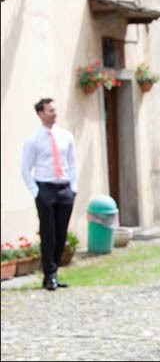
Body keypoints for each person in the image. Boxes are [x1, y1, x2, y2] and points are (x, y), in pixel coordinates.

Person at [21, 98, 78, 291]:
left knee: (61, 233)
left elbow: (72, 163)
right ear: (41, 114)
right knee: (49, 233)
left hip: (64, 189)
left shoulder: (66, 136)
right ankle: (49, 274)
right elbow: (26, 169)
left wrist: (73, 188)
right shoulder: (33, 140)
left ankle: (53, 273)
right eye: (50, 110)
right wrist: (37, 191)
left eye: (55, 109)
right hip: (45, 189)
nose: (55, 113)